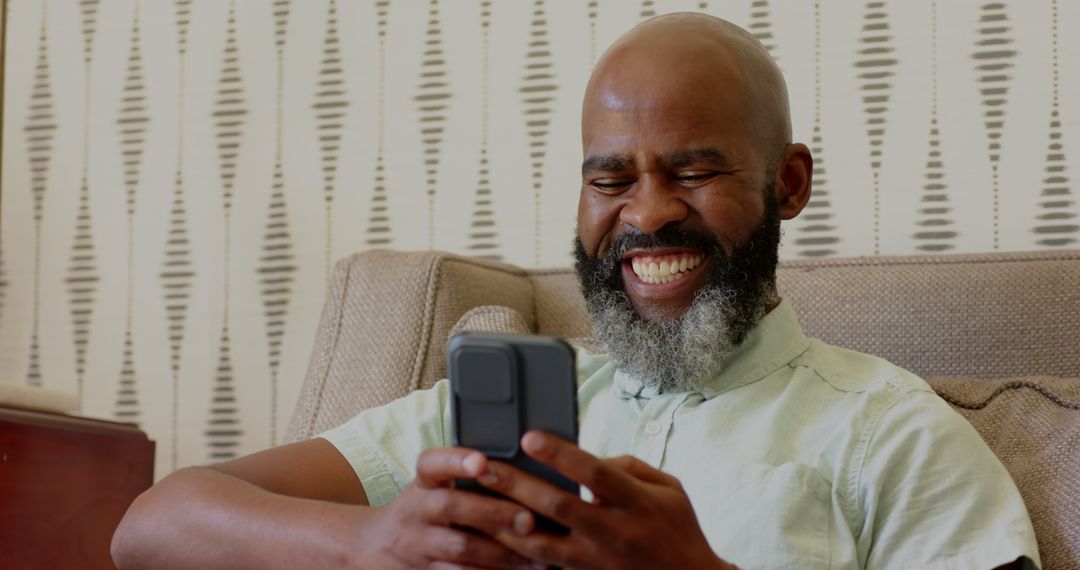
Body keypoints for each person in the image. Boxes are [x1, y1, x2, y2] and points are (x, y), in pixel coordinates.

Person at [112, 13, 1039, 569]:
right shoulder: (497, 420)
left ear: (787, 183)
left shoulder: (891, 431)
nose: (646, 216)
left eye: (692, 170)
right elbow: (152, 529)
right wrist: (376, 545)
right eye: (611, 180)